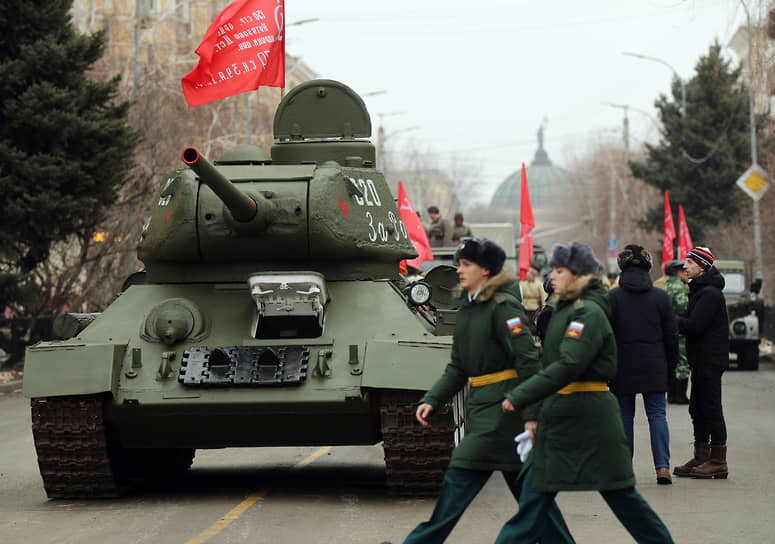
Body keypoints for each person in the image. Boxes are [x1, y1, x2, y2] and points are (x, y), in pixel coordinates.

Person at [397, 238, 573, 544]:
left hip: (505, 417)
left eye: (467, 265)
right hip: (485, 412)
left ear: (487, 271)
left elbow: (528, 362)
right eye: (459, 264)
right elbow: (458, 367)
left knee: (456, 485)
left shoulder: (504, 308)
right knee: (534, 502)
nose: (459, 270)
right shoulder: (467, 310)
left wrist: (532, 416)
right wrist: (432, 399)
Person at [496, 241, 674, 544]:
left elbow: (568, 364)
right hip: (562, 413)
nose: (552, 277)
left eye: (560, 270)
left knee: (622, 497)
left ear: (578, 275)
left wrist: (522, 395)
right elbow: (551, 363)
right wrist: (535, 415)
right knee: (535, 497)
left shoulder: (587, 313)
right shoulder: (563, 310)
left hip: (591, 417)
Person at [608, 245, 679, 485]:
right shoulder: (661, 297)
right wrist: (671, 368)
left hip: (622, 367)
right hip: (655, 365)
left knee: (624, 417)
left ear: (622, 267)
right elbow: (672, 337)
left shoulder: (612, 297)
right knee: (657, 415)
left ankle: (624, 469)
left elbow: (605, 336)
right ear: (648, 268)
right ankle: (662, 467)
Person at [674, 246, 729, 479]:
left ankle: (718, 460)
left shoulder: (709, 294)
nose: (684, 266)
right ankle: (701, 455)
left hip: (710, 359)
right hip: (701, 359)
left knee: (711, 407)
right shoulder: (700, 291)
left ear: (702, 265)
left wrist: (669, 318)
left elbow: (695, 326)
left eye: (689, 261)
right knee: (697, 406)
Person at [663, 260, 690, 404]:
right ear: (679, 272)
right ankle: (680, 395)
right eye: (685, 271)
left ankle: (672, 395)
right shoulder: (679, 288)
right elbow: (684, 308)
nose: (687, 274)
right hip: (679, 331)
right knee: (683, 363)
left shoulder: (667, 286)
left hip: (668, 331)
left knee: (673, 362)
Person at [520, 264, 546, 329]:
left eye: (529, 274)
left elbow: (543, 296)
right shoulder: (523, 283)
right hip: (525, 307)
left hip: (535, 308)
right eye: (527, 274)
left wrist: (544, 306)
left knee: (534, 324)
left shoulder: (539, 284)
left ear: (533, 275)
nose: (527, 275)